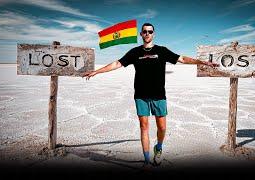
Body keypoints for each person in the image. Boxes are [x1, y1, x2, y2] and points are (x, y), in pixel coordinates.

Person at [82, 23, 218, 167]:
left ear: (154, 34)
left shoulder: (162, 50)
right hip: (141, 95)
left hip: (159, 95)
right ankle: (147, 160)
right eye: (144, 32)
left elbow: (182, 59)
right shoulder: (134, 52)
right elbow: (117, 63)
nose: (147, 34)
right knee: (144, 126)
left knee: (162, 128)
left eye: (150, 31)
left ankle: (158, 147)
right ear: (141, 34)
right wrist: (97, 71)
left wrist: (202, 62)